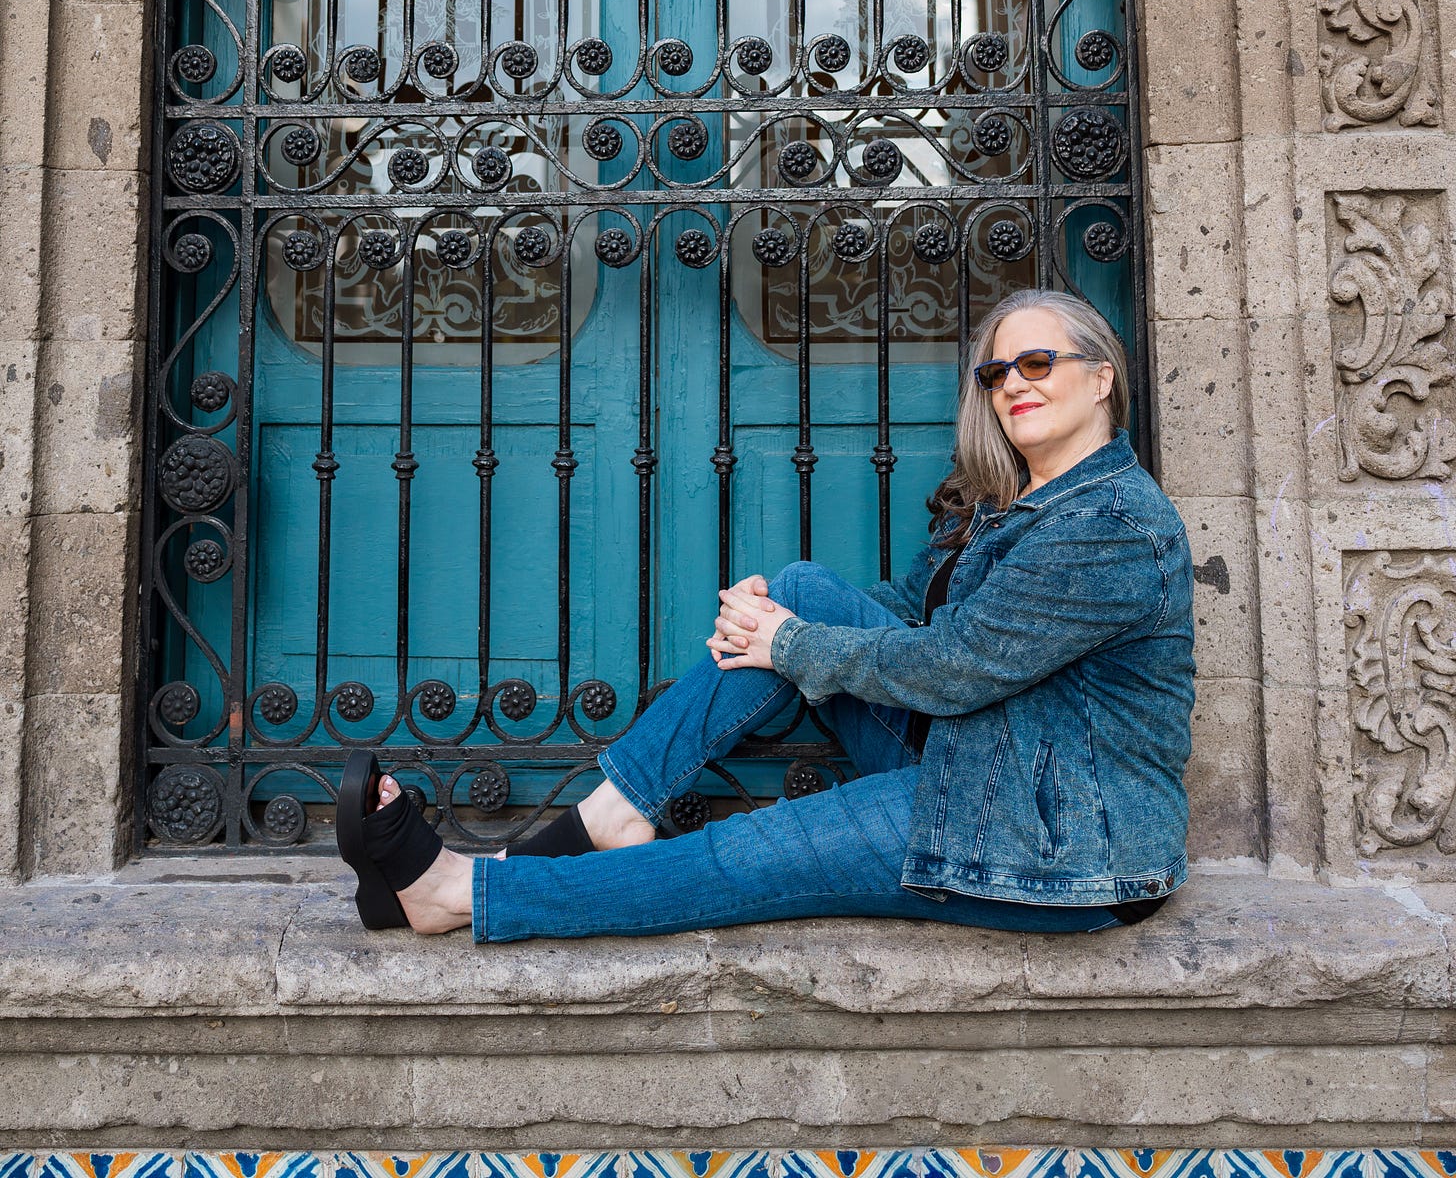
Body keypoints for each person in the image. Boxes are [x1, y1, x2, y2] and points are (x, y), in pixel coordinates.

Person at [337, 287, 1195, 942]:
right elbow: (907, 614)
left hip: (1056, 839)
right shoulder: (1010, 499)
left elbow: (956, 664)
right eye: (995, 372)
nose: (1013, 386)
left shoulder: (1112, 526)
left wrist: (788, 644)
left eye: (1036, 365)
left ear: (1102, 375)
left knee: (739, 859)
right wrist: (777, 620)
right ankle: (614, 814)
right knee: (800, 586)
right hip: (981, 758)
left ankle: (462, 894)